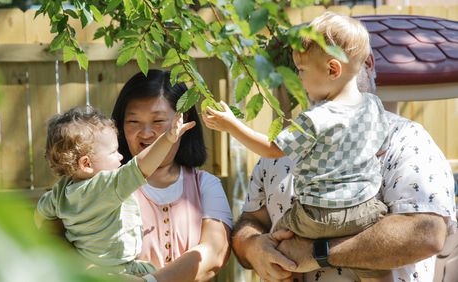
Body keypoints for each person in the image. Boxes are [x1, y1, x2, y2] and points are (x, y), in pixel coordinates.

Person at [231, 50, 457, 282]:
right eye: (311, 66)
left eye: (334, 65)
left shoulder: (406, 139)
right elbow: (251, 220)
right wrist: (253, 247)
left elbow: (426, 233)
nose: (329, 73)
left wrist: (316, 254)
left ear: (367, 64)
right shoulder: (285, 145)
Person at [204, 12, 390, 279]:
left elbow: (272, 149)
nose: (299, 80)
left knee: (279, 247)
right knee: (376, 264)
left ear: (332, 69)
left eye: (301, 71)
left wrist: (232, 125)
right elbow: (379, 145)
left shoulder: (317, 118)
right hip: (364, 210)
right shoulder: (373, 106)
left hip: (316, 215)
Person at [34, 106, 194, 276]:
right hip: (118, 272)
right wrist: (168, 139)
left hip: (88, 268)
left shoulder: (61, 190)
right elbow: (140, 166)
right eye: (113, 152)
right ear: (86, 164)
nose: (120, 157)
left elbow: (40, 214)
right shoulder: (104, 187)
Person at [111, 69, 233, 282]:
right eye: (133, 122)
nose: (146, 133)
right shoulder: (107, 185)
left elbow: (214, 253)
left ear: (183, 121)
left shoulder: (206, 185)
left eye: (158, 121)